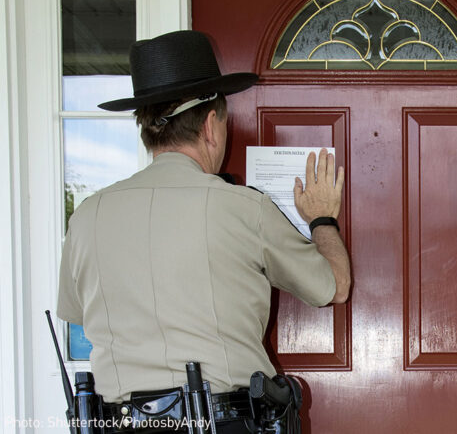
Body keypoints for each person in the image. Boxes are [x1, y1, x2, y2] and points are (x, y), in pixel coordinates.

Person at [56, 30, 350, 432]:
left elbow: (75, 314)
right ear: (211, 125)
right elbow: (333, 286)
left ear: (147, 129)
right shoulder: (243, 208)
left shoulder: (87, 217)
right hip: (221, 423)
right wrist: (322, 219)